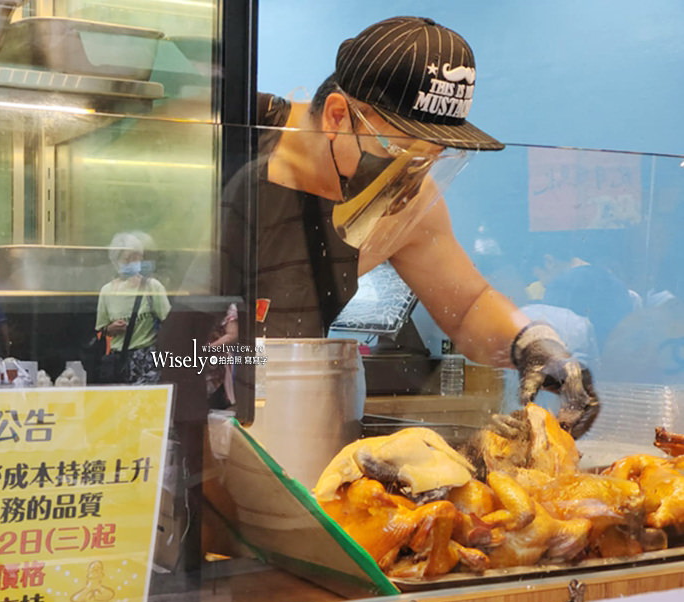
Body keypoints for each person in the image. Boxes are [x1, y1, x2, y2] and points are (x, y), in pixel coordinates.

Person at [222, 15, 599, 437]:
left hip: (283, 416)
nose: (411, 177)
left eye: (430, 156)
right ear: (336, 116)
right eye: (398, 151)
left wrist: (535, 346)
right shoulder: (231, 133)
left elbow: (470, 304)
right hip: (175, 379)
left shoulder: (408, 201)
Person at [95, 231, 172, 385]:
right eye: (127, 258)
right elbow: (101, 329)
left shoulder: (152, 287)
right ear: (116, 261)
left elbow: (169, 322)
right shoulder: (107, 291)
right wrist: (111, 328)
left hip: (146, 359)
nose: (133, 262)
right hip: (119, 360)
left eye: (137, 257)